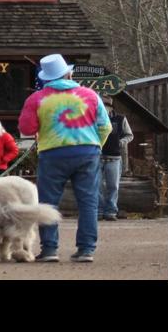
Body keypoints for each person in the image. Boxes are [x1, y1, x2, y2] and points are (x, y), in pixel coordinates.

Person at [17, 54, 111, 262]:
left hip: (52, 153)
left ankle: (50, 249)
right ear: (68, 73)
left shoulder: (36, 99)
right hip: (87, 152)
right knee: (88, 202)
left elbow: (26, 128)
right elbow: (105, 126)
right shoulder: (90, 95)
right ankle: (86, 249)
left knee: (49, 202)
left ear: (46, 77)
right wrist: (96, 146)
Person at [98, 98, 134, 221]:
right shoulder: (94, 119)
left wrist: (121, 142)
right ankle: (98, 211)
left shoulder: (121, 119)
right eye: (103, 105)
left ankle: (111, 212)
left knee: (113, 186)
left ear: (111, 107)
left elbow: (129, 135)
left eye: (107, 106)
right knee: (97, 185)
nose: (105, 108)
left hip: (114, 157)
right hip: (97, 156)